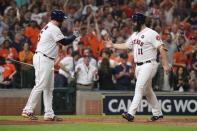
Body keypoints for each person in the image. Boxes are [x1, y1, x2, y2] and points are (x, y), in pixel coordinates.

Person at [106, 12, 171, 121]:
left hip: (149, 64)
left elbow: (162, 48)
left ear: (140, 22)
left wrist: (165, 64)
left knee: (139, 87)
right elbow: (126, 45)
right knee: (147, 90)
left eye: (134, 22)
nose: (133, 24)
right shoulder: (135, 34)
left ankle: (131, 113)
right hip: (139, 66)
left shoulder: (151, 33)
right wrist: (113, 45)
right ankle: (158, 113)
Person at [21, 10, 80, 121]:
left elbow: (59, 42)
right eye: (63, 19)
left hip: (46, 59)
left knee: (49, 88)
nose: (63, 20)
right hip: (43, 58)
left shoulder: (49, 27)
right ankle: (27, 110)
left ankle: (48, 113)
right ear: (59, 19)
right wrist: (74, 36)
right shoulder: (53, 28)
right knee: (40, 85)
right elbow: (64, 42)